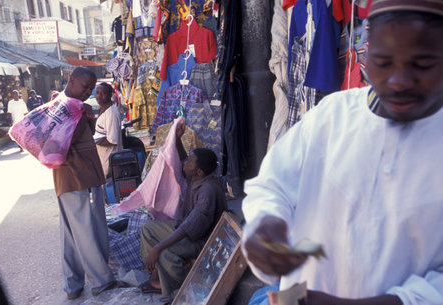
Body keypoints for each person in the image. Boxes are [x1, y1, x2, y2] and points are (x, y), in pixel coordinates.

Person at [242, 1, 443, 305]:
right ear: (366, 53)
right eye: (384, 62)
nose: (399, 82)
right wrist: (266, 224)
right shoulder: (332, 116)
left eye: (423, 64)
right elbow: (272, 186)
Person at [139, 121, 227, 300]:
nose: (185, 163)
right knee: (147, 229)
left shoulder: (208, 191)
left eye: (190, 162)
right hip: (187, 229)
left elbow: (189, 227)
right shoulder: (198, 175)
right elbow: (182, 158)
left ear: (199, 171)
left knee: (165, 254)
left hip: (203, 240)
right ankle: (158, 277)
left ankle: (184, 283)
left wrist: (158, 247)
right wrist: (177, 139)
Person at [53, 67, 115, 299]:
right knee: (88, 230)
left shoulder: (74, 106)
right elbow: (61, 142)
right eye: (85, 87)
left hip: (75, 175)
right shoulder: (64, 106)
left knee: (71, 233)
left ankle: (73, 285)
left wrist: (87, 116)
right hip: (77, 175)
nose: (88, 92)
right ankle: (101, 280)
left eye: (91, 88)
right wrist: (82, 115)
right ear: (71, 81)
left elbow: (84, 134)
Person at [94, 82, 122, 177]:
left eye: (103, 93)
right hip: (102, 158)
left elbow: (112, 140)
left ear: (110, 95)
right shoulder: (103, 109)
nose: (99, 96)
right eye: (97, 92)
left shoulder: (111, 113)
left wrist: (94, 141)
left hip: (109, 160)